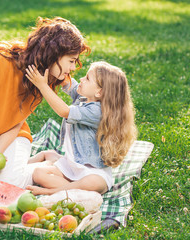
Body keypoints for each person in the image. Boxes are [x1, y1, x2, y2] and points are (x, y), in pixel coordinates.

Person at [0, 17, 91, 187]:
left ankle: (46, 165)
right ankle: (39, 164)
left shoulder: (42, 79)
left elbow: (17, 122)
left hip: (12, 137)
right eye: (71, 61)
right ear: (54, 55)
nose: (74, 67)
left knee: (8, 181)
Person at [25, 61, 137, 195]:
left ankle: (53, 191)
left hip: (92, 171)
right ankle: (74, 190)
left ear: (99, 92)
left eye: (87, 78)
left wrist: (42, 86)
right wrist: (55, 64)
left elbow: (64, 111)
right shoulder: (86, 98)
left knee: (94, 183)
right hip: (73, 166)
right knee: (38, 173)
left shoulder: (98, 112)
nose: (82, 79)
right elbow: (67, 82)